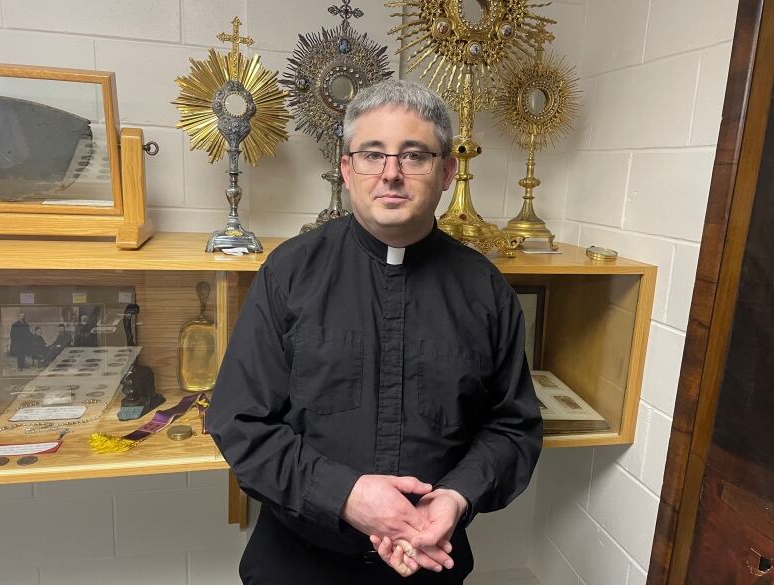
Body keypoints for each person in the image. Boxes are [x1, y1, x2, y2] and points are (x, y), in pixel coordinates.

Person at [208, 79, 542, 585]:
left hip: (430, 559)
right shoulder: (289, 274)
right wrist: (344, 495)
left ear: (447, 170)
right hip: (298, 561)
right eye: (372, 154)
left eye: (414, 156)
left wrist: (454, 497)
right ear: (346, 169)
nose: (391, 174)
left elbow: (512, 429)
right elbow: (240, 422)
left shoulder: (486, 291)